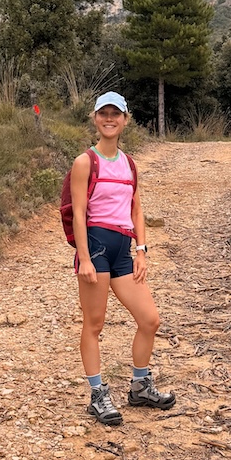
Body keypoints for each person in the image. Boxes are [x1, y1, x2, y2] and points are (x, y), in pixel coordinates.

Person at [70, 92, 175, 427]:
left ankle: (140, 386)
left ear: (126, 119)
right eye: (104, 113)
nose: (110, 119)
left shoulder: (130, 164)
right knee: (95, 324)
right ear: (95, 118)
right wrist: (84, 258)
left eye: (116, 114)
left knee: (149, 319)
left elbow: (136, 209)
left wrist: (142, 250)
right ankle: (98, 395)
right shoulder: (85, 162)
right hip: (97, 248)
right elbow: (79, 212)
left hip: (123, 251)